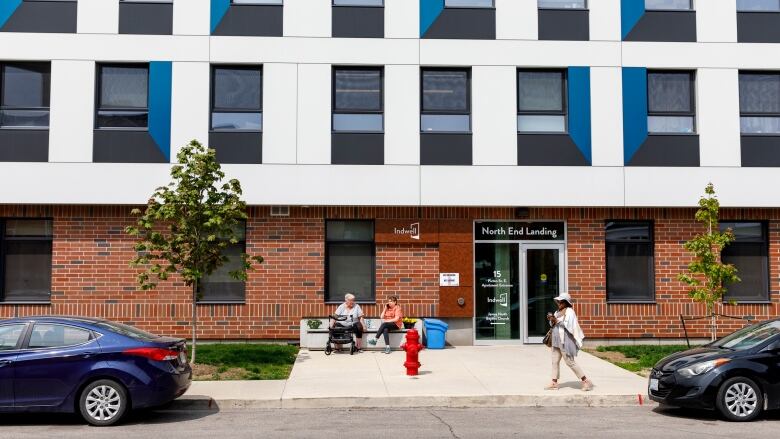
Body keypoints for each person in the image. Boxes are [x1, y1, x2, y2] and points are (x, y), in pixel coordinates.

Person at [545, 292, 593, 391]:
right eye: (558, 301)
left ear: (566, 302)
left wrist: (556, 320)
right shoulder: (557, 312)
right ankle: (554, 382)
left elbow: (568, 325)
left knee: (570, 362)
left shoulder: (570, 311)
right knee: (554, 361)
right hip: (556, 340)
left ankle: (585, 381)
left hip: (565, 340)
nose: (559, 303)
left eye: (561, 301)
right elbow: (553, 325)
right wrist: (551, 319)